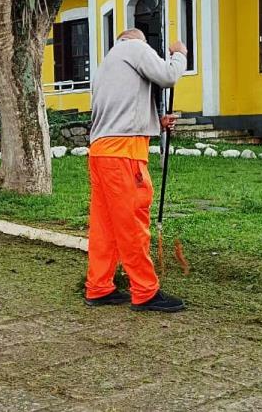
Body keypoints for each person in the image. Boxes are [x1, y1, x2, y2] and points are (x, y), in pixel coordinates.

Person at [85, 28, 187, 312]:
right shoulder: (136, 49)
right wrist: (179, 55)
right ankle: (144, 291)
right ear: (139, 40)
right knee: (132, 225)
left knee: (105, 227)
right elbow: (167, 76)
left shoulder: (107, 63)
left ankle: (99, 286)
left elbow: (125, 110)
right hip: (124, 156)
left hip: (101, 152)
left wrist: (157, 122)